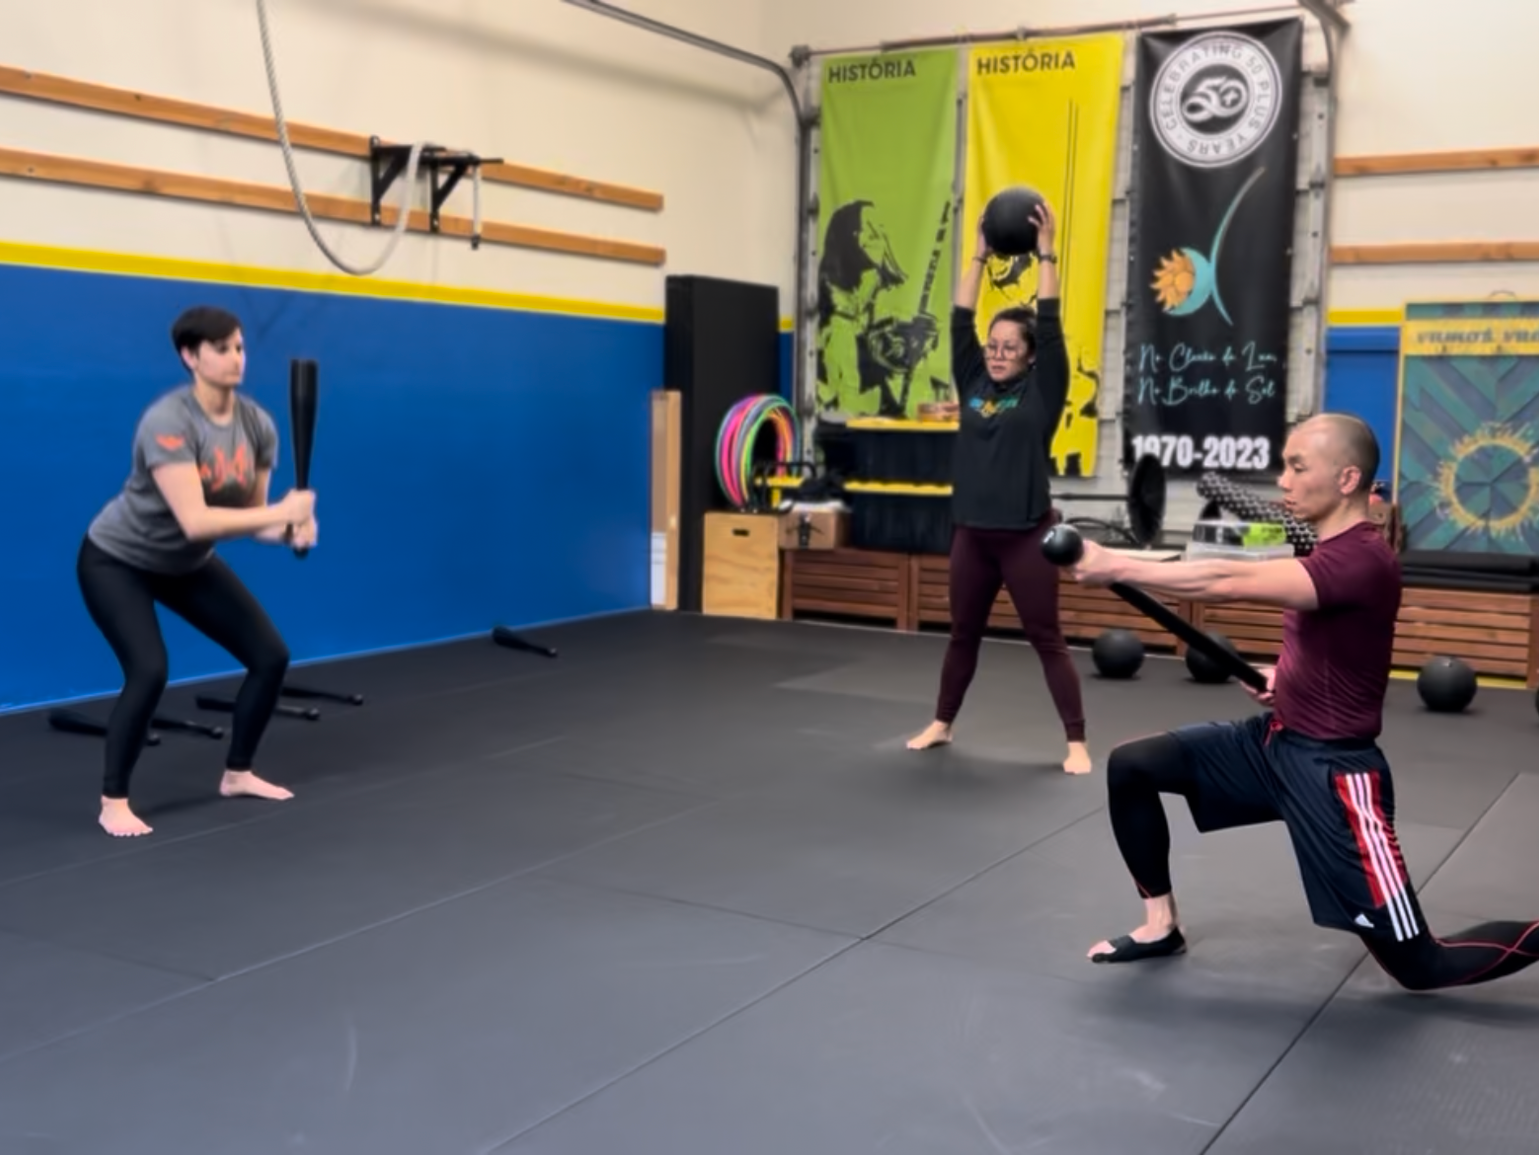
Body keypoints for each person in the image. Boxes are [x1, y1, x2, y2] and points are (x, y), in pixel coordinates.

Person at [1068, 413, 1539, 991]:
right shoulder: (1326, 548)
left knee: (1420, 966)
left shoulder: (1362, 558)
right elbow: (1324, 644)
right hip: (1275, 745)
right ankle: (1160, 926)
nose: (1284, 482)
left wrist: (1113, 564)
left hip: (1335, 775)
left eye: (1297, 467)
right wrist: (1282, 676)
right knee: (1133, 765)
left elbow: (1225, 581)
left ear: (1346, 479)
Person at [77, 305, 317, 838]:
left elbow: (253, 519)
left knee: (270, 656)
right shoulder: (169, 422)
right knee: (149, 669)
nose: (236, 358)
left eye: (239, 347)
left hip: (185, 564)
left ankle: (238, 773)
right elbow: (196, 520)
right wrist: (284, 510)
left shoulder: (257, 425)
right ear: (191, 357)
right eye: (222, 349)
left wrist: (291, 531)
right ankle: (113, 800)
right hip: (118, 560)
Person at [907, 200, 1090, 776]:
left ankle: (1076, 742)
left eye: (1010, 346)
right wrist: (980, 256)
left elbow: (1053, 319)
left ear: (1032, 355)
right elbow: (960, 316)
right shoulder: (972, 381)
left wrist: (1047, 253)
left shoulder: (1044, 390)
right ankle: (942, 721)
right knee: (963, 633)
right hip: (972, 536)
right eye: (994, 344)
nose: (998, 352)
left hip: (1024, 536)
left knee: (1046, 638)